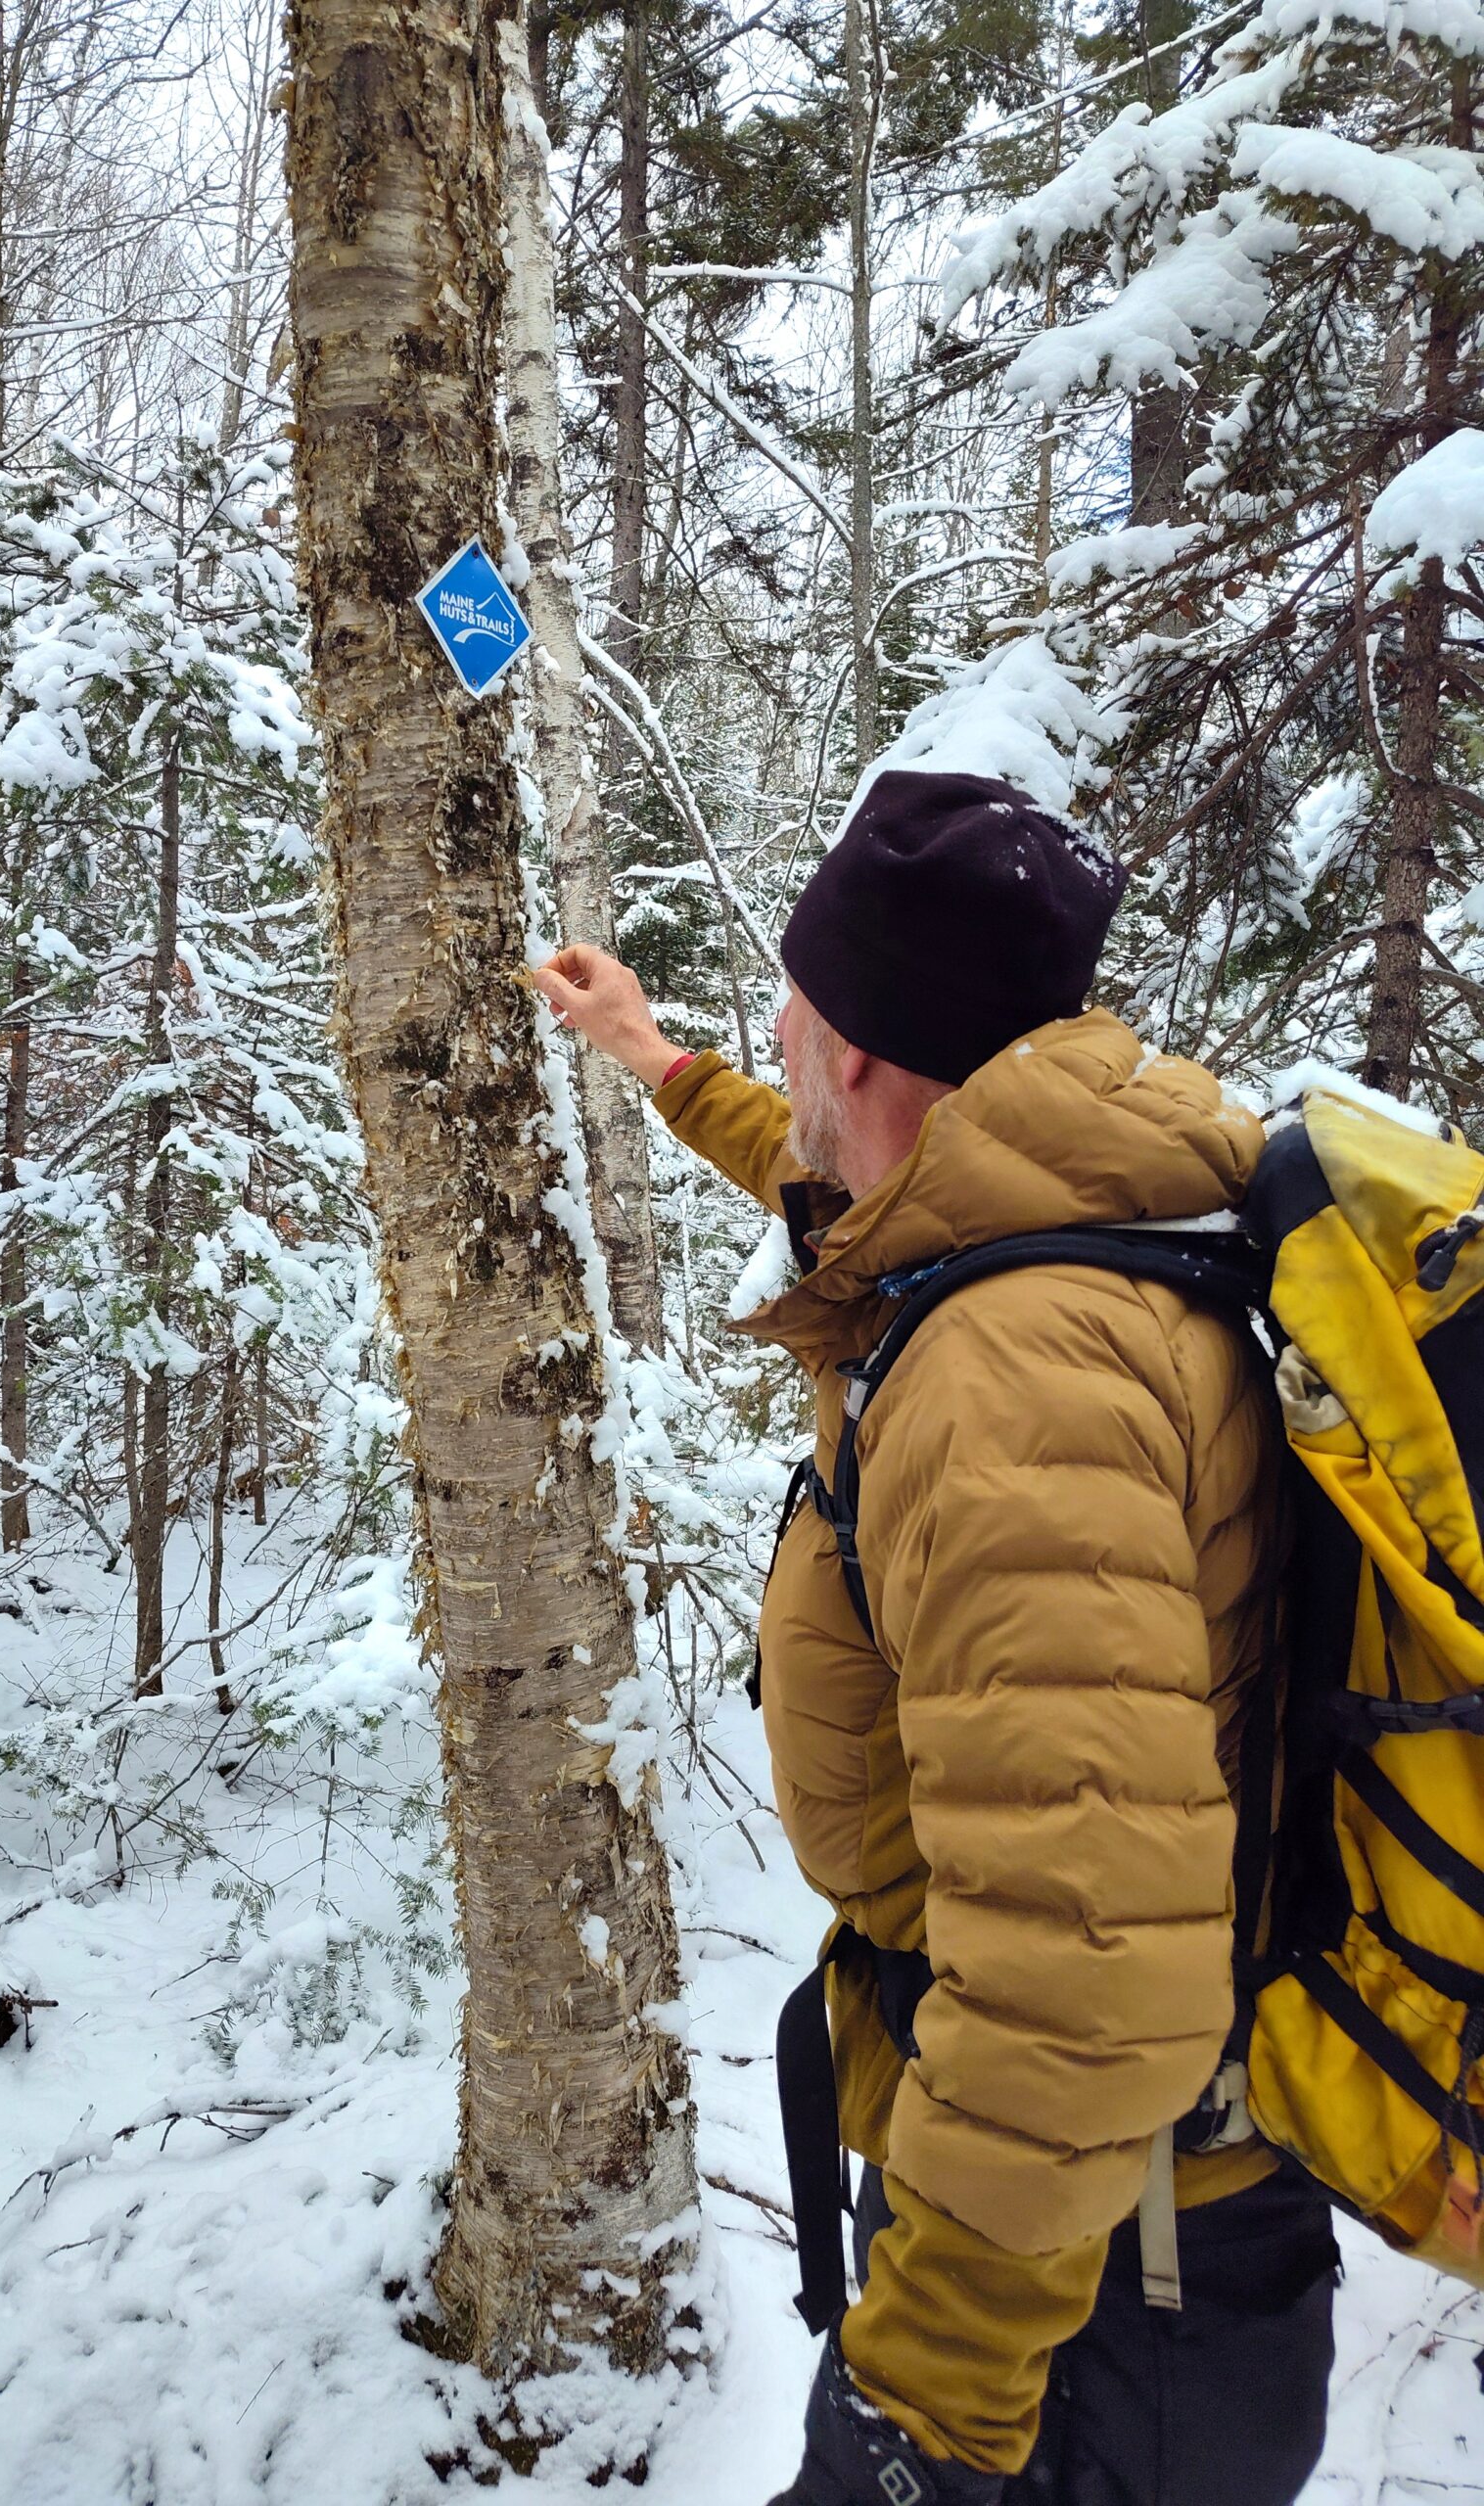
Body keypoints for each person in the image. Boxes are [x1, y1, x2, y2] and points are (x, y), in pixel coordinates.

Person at [533, 769, 1338, 2506]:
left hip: (1092, 2311)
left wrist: (916, 2424)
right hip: (1101, 2243)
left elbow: (1079, 1976)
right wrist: (658, 1060)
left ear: (881, 1062)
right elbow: (836, 1182)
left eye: (798, 1017)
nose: (781, 1037)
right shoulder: (1065, 1196)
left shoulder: (1010, 1384)